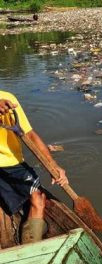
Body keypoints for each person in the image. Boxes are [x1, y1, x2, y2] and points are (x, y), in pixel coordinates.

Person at [0, 91, 68, 244]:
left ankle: (30, 246)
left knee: (37, 198)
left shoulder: (8, 99)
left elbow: (29, 134)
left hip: (11, 162)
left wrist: (52, 165)